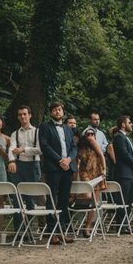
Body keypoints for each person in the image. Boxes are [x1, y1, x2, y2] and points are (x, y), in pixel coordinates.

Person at [39, 101, 78, 244]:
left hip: (68, 169)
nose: (57, 112)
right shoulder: (44, 127)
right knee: (52, 199)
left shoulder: (68, 128)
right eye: (54, 110)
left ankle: (61, 231)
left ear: (63, 112)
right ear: (51, 113)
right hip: (53, 168)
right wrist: (60, 160)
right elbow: (45, 146)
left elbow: (74, 147)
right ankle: (52, 233)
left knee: (63, 200)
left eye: (59, 110)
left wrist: (68, 159)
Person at [7, 105, 42, 232]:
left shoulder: (38, 131)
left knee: (31, 199)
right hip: (18, 166)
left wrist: (23, 150)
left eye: (25, 114)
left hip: (33, 167)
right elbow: (11, 149)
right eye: (20, 114)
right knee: (17, 199)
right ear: (18, 117)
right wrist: (11, 160)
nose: (23, 116)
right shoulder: (14, 133)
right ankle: (19, 231)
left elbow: (40, 149)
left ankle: (30, 230)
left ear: (30, 115)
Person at [113, 116, 133, 232]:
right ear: (123, 125)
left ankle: (126, 224)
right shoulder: (118, 137)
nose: (132, 125)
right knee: (123, 200)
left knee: (129, 200)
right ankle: (121, 226)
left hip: (130, 174)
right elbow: (124, 154)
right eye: (129, 123)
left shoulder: (128, 138)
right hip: (123, 174)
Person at [76, 126, 107, 237]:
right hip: (85, 173)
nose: (90, 136)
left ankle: (87, 226)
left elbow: (101, 156)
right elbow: (77, 161)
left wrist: (104, 169)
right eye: (88, 134)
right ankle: (73, 198)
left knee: (94, 201)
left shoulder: (94, 143)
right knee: (88, 195)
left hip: (97, 172)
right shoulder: (80, 146)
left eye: (92, 134)